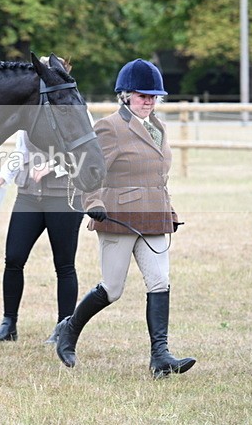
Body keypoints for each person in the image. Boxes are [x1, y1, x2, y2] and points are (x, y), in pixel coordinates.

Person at [54, 58, 196, 379]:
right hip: (118, 216)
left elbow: (159, 176)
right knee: (113, 288)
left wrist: (169, 210)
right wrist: (93, 202)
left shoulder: (158, 127)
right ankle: (70, 329)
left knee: (160, 281)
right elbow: (90, 170)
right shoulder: (110, 127)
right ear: (125, 96)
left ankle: (160, 356)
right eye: (142, 95)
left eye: (153, 96)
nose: (148, 101)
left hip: (154, 217)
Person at [0, 57, 84, 344]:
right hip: (28, 195)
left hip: (62, 197)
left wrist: (54, 167)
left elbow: (86, 153)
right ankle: (9, 323)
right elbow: (21, 150)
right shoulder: (34, 109)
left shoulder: (76, 108)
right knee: (14, 258)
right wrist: (4, 175)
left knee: (64, 265)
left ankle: (63, 327)